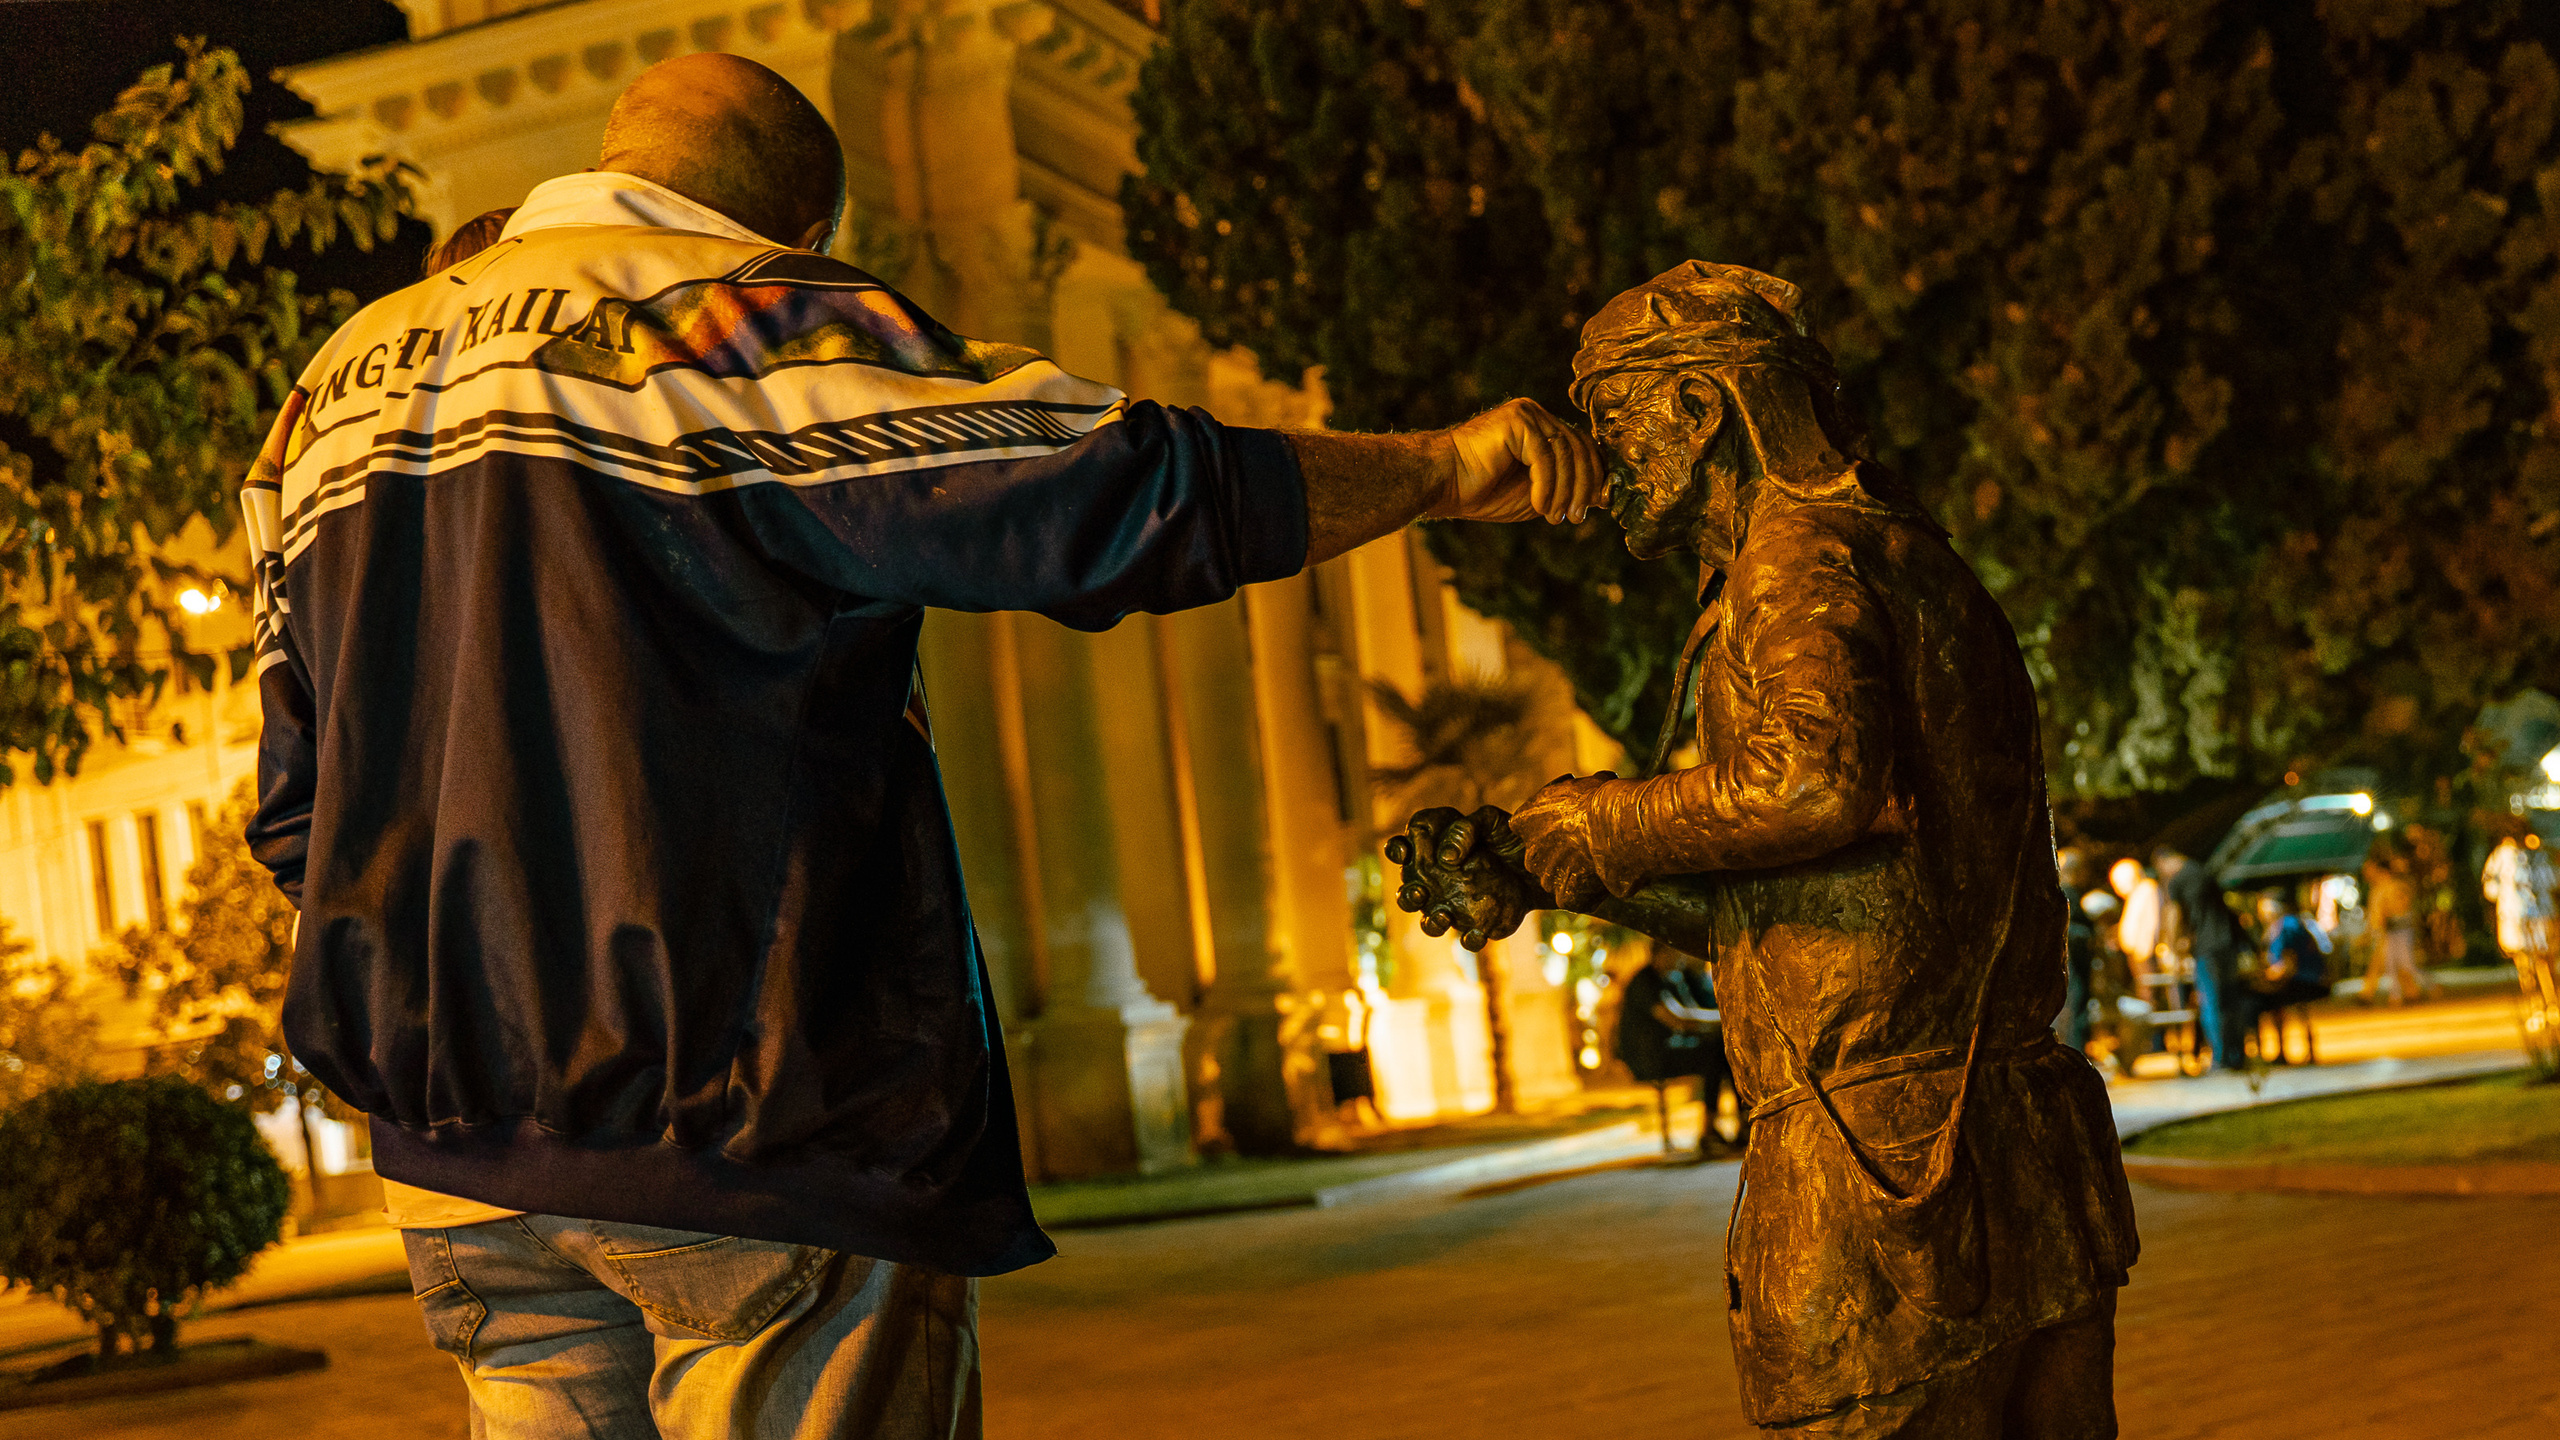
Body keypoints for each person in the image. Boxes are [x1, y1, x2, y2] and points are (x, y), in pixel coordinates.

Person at [240, 53, 1601, 1440]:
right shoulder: (743, 324)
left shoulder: (331, 394)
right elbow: (1116, 492)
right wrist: (1443, 468)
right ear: (807, 229)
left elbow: (297, 811)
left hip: (455, 1149)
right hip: (742, 1112)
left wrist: (472, 983)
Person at [1395, 262, 2137, 1436]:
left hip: (1876, 1170)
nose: (1601, 470)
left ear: (1695, 416)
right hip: (2003, 1142)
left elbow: (1808, 781)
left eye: (1613, 423)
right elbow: (1823, 906)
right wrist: (1563, 872)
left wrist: (1593, 818)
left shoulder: (1794, 560)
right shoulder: (1894, 551)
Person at [1617, 947, 1743, 1154]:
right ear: (1660, 954)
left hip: (1672, 1048)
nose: (1680, 959)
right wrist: (1726, 1019)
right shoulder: (1644, 981)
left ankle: (1739, 1122)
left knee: (1723, 1050)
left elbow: (1691, 1013)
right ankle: (1709, 1130)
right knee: (1712, 1054)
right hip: (1649, 1056)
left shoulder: (1673, 979)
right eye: (1675, 954)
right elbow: (1677, 1019)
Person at [2156, 846, 2246, 1072]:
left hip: (2206, 949)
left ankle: (2219, 1059)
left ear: (2164, 863)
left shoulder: (2177, 880)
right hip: (2227, 945)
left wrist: (2175, 950)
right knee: (2230, 1002)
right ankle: (2237, 1055)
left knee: (2211, 1003)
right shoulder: (2204, 873)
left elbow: (2175, 914)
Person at [2482, 823, 2559, 1074]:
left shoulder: (2539, 853)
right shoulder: (2501, 856)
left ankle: (2552, 1005)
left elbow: (2551, 880)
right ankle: (2536, 1007)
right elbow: (2490, 885)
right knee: (2525, 965)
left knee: (2546, 962)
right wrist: (2506, 893)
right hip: (2515, 916)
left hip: (2540, 915)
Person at [2246, 891, 2333, 1061]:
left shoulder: (2285, 927)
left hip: (2304, 980)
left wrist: (2261, 977)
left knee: (2269, 1001)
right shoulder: (2293, 922)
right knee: (2276, 999)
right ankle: (2293, 1049)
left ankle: (2280, 1050)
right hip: (2312, 978)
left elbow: (2286, 965)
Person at [2361, 839, 2436, 1006]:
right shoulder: (2381, 887)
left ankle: (2418, 989)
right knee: (2391, 964)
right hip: (2388, 930)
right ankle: (2397, 995)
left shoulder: (2392, 885)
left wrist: (2387, 919)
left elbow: (2400, 907)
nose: (2366, 873)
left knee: (2404, 963)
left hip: (2398, 930)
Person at [2056, 848, 2098, 1051]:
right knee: (2075, 1012)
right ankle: (2075, 1052)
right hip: (2073, 969)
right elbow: (2075, 932)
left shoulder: (2063, 893)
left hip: (2068, 967)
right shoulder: (2068, 894)